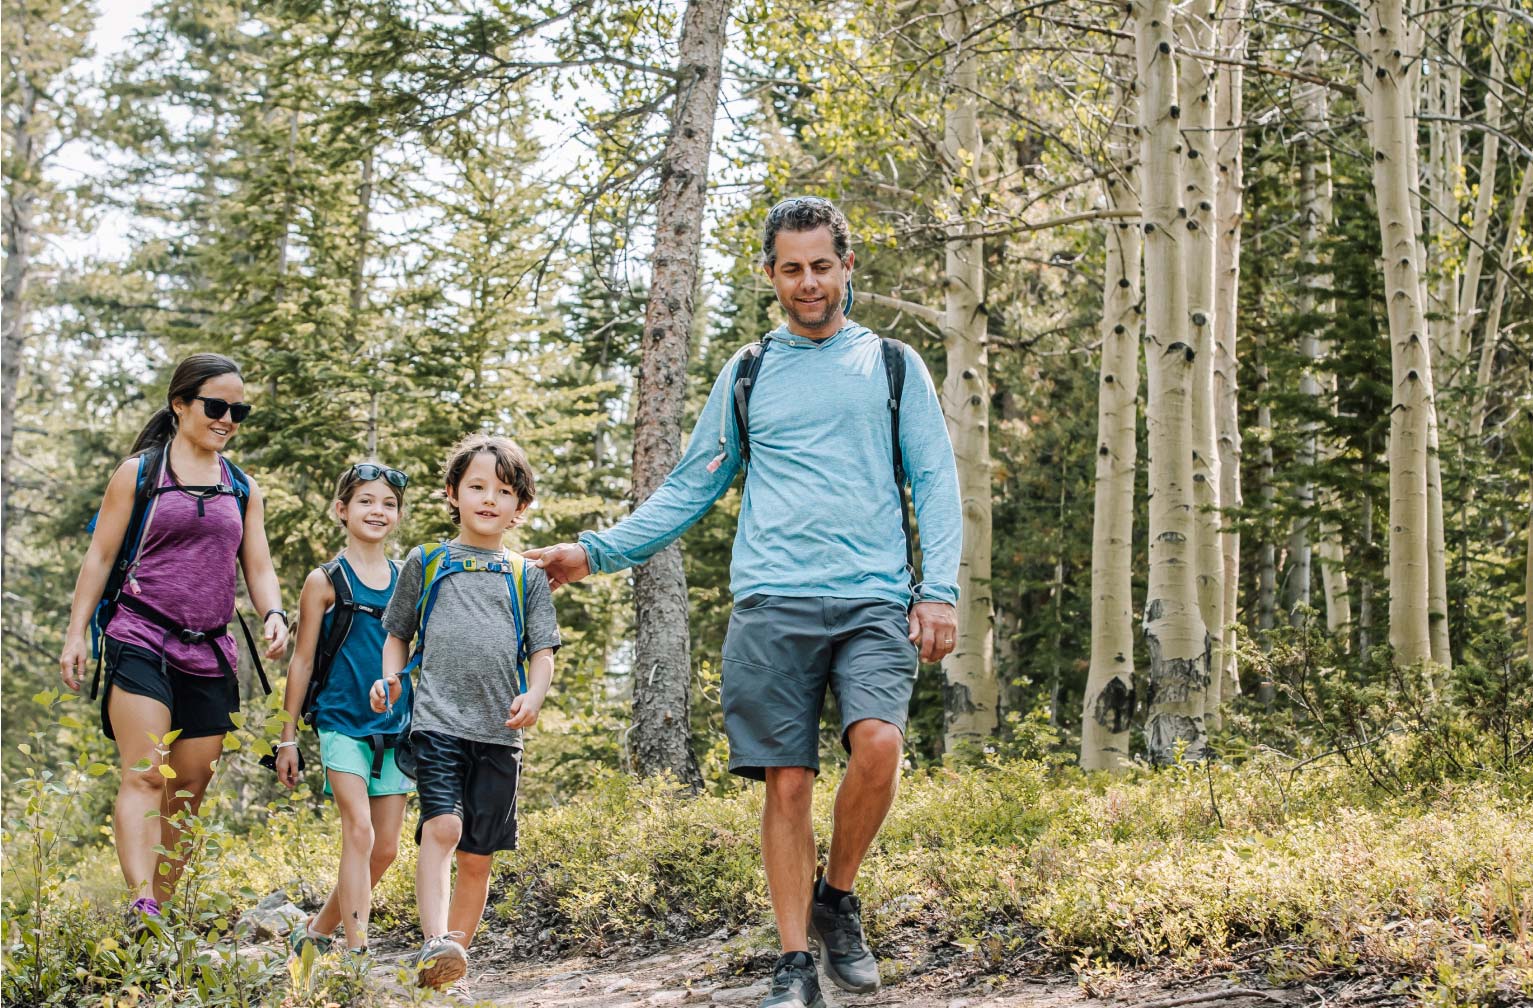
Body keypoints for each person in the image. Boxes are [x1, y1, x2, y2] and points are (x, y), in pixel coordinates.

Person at [527, 196, 962, 1008]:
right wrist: (594, 552)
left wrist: (937, 590)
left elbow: (935, 482)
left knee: (878, 745)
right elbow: (691, 484)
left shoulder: (892, 365)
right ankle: (794, 964)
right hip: (770, 602)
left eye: (821, 266)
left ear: (846, 266)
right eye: (791, 269)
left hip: (872, 599)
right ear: (770, 275)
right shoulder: (750, 371)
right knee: (786, 784)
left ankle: (836, 897)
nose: (808, 282)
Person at [59, 352, 290, 924]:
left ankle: (157, 916)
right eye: (216, 406)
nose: (227, 419)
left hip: (210, 649)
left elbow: (258, 564)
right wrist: (76, 633)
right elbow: (100, 557)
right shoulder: (140, 474)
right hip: (140, 634)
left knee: (188, 787)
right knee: (145, 773)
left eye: (239, 411)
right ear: (180, 404)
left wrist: (274, 612)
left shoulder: (242, 487)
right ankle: (141, 904)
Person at [369, 433, 560, 989]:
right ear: (452, 493)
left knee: (478, 856)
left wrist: (535, 694)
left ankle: (450, 965)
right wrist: (391, 679)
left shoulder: (525, 574)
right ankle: (435, 941)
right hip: (437, 724)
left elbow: (542, 651)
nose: (488, 499)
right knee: (443, 826)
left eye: (503, 491)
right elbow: (397, 634)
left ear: (520, 505)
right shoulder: (426, 561)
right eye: (476, 487)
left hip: (500, 734)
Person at [275, 462, 413, 961]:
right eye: (366, 501)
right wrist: (287, 738)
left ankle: (316, 932)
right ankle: (357, 954)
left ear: (398, 515)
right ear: (342, 509)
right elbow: (302, 660)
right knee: (359, 830)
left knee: (386, 849)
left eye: (389, 504)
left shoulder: (407, 578)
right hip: (340, 722)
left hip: (396, 728)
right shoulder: (325, 580)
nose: (378, 511)